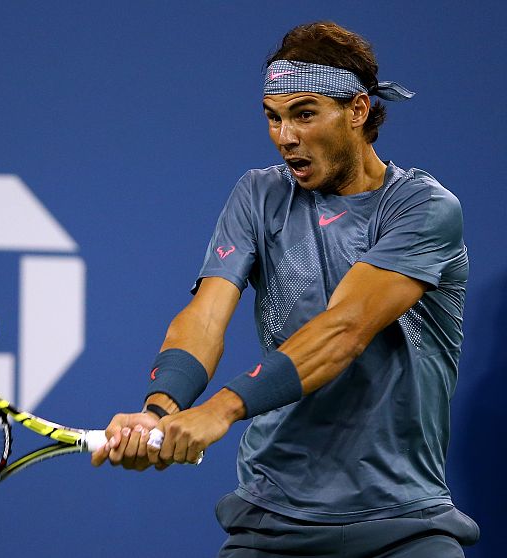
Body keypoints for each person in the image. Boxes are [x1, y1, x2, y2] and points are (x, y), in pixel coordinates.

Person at [91, 21, 480, 557]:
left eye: (304, 113)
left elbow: (343, 331)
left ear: (358, 111)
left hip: (405, 525)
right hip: (272, 521)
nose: (285, 136)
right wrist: (159, 411)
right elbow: (205, 316)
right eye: (273, 117)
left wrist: (219, 410)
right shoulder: (257, 195)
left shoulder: (423, 209)